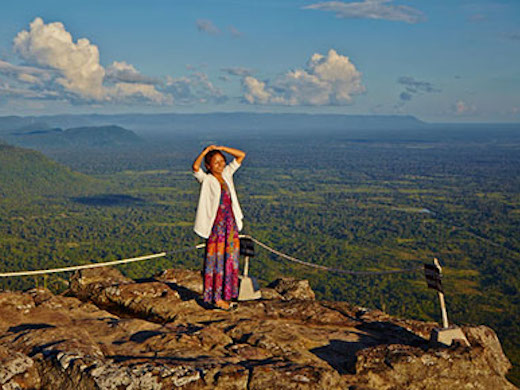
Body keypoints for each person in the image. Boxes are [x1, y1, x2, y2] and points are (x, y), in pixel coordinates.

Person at [192, 145, 246, 310]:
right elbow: (195, 168)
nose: (220, 165)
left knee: (230, 259)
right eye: (215, 163)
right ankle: (216, 298)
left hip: (230, 224)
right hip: (216, 226)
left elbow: (241, 155)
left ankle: (227, 294)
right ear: (208, 166)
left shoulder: (227, 174)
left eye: (222, 161)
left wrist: (221, 148)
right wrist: (205, 152)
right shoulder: (207, 179)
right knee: (216, 261)